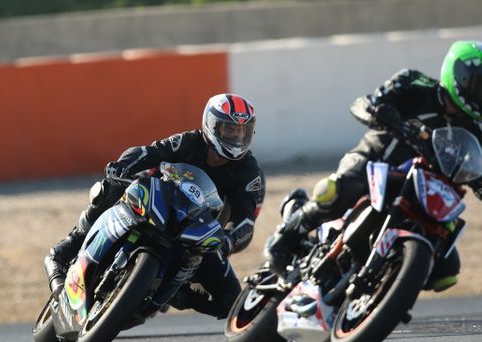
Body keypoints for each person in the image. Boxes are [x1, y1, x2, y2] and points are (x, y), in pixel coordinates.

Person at [266, 40, 482, 292]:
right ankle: (286, 234)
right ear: (460, 76)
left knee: (446, 269)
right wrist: (384, 116)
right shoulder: (414, 83)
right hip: (373, 162)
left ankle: (382, 291)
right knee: (342, 189)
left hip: (419, 189)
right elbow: (363, 104)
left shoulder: (473, 131)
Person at [44, 93, 266, 318]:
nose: (236, 137)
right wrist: (122, 166)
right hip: (158, 203)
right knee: (111, 187)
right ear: (212, 125)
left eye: (242, 131)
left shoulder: (250, 173)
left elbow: (246, 221)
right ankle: (70, 244)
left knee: (231, 303)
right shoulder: (189, 142)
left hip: (197, 233)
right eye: (230, 129)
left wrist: (228, 240)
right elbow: (148, 152)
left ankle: (179, 295)